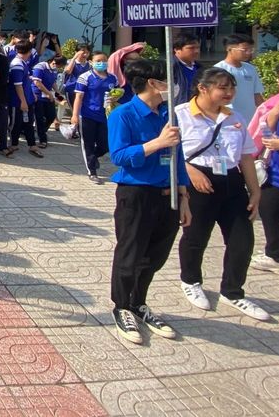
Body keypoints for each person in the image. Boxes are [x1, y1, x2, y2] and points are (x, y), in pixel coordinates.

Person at [107, 58, 190, 345]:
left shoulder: (168, 115)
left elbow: (178, 157)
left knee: (155, 255)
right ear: (153, 83)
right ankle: (121, 306)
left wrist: (184, 195)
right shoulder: (123, 114)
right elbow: (119, 156)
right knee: (130, 254)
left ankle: (138, 302)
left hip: (168, 195)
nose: (172, 86)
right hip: (136, 195)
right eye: (168, 80)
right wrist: (157, 143)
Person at [175, 67, 269, 321]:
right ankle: (191, 281)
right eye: (222, 88)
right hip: (198, 183)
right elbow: (169, 152)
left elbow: (246, 156)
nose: (229, 93)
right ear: (202, 88)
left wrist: (255, 191)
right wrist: (190, 171)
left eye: (232, 88)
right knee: (196, 236)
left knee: (242, 240)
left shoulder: (234, 117)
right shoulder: (180, 114)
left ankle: (233, 291)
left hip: (231, 182)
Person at [253, 62, 279, 274]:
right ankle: (275, 255)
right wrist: (273, 114)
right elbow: (262, 135)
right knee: (269, 210)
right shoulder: (277, 104)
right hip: (276, 173)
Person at [72, 52, 118, 184]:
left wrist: (115, 98)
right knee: (88, 144)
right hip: (88, 115)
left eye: (104, 60)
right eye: (98, 60)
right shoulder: (85, 77)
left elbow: (117, 93)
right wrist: (75, 115)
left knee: (105, 145)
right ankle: (92, 171)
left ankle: (93, 158)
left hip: (105, 115)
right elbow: (78, 97)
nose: (101, 63)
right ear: (91, 62)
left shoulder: (113, 78)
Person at [214, 34, 265, 125]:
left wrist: (264, 113)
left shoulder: (250, 68)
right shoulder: (219, 69)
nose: (248, 53)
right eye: (244, 50)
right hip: (229, 119)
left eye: (250, 50)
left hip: (250, 119)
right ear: (229, 49)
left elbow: (257, 95)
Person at [8, 40, 41, 160]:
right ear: (29, 51)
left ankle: (32, 145)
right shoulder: (17, 64)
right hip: (17, 101)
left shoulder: (23, 62)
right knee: (16, 123)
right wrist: (23, 101)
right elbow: (18, 85)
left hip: (27, 98)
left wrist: (31, 95)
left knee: (29, 123)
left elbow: (26, 81)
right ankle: (13, 144)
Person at [31, 54, 66, 150]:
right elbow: (37, 82)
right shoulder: (40, 67)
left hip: (48, 95)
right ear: (53, 62)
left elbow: (53, 82)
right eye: (59, 65)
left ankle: (41, 131)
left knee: (51, 116)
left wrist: (58, 94)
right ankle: (43, 140)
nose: (58, 68)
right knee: (39, 118)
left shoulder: (54, 69)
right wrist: (48, 93)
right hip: (38, 95)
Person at [171, 33, 201, 107]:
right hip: (177, 110)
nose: (196, 51)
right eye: (191, 48)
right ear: (177, 49)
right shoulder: (169, 68)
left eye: (198, 48)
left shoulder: (200, 68)